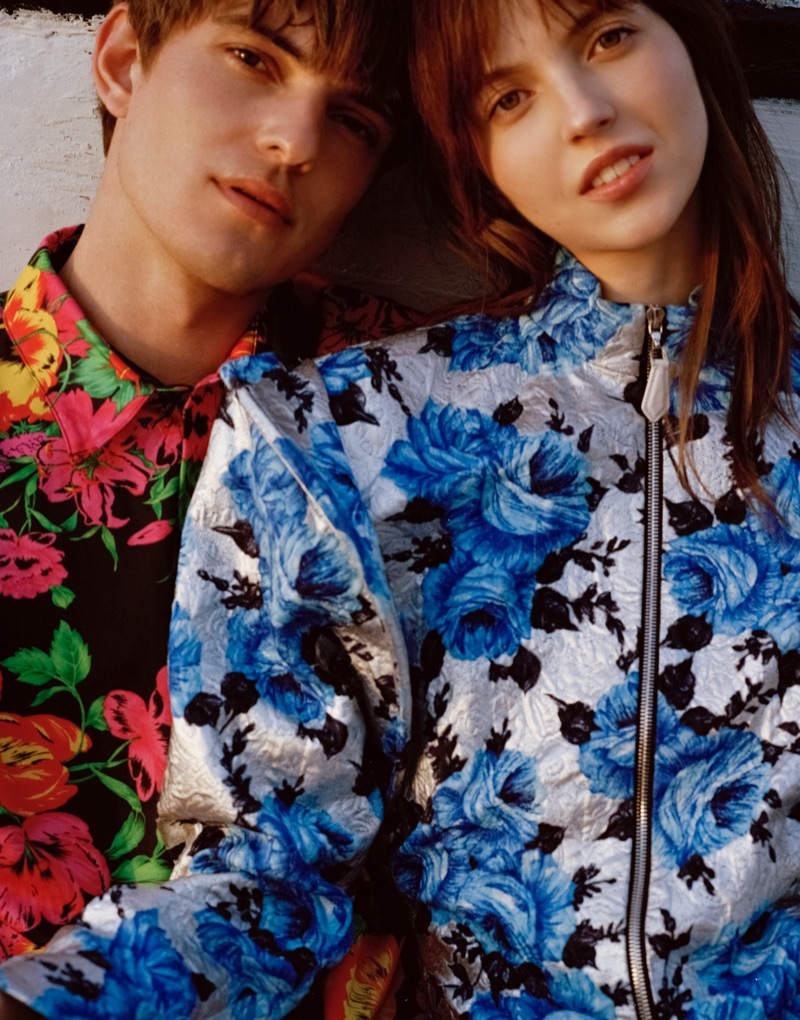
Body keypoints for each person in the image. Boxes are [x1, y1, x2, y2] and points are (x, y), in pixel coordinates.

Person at [6, 0, 800, 1018]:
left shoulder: (348, 404)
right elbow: (272, 867)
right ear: (476, 164)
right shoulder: (348, 428)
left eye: (608, 36)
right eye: (507, 98)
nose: (583, 111)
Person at [0, 0, 416, 1017]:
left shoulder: (421, 420)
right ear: (121, 59)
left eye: (353, 120)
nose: (295, 140)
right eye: (252, 57)